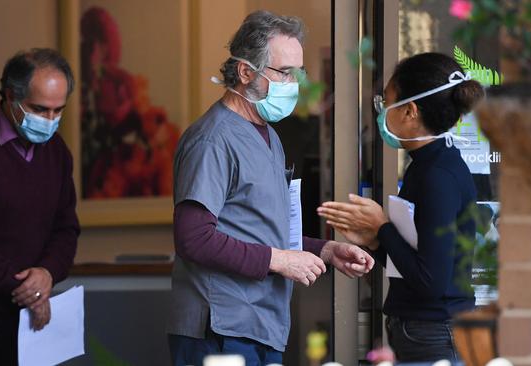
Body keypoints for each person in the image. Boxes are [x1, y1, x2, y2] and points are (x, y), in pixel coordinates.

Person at [168, 10, 375, 366]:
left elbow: (262, 229)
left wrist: (325, 250)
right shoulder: (213, 140)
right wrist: (280, 261)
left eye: (299, 73)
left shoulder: (268, 136)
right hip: (221, 329)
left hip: (261, 324)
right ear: (246, 71)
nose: (293, 84)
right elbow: (193, 238)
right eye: (284, 73)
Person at [318, 52, 485, 362]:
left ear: (410, 111)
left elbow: (431, 282)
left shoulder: (437, 174)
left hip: (434, 332)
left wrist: (382, 227)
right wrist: (376, 242)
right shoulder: (430, 163)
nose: (381, 111)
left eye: (386, 102)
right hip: (426, 329)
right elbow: (418, 263)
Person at [0, 48, 80, 365]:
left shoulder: (58, 152)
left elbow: (66, 229)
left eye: (58, 111)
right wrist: (25, 286)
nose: (50, 121)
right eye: (40, 109)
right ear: (10, 95)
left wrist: (47, 272)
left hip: (31, 316)